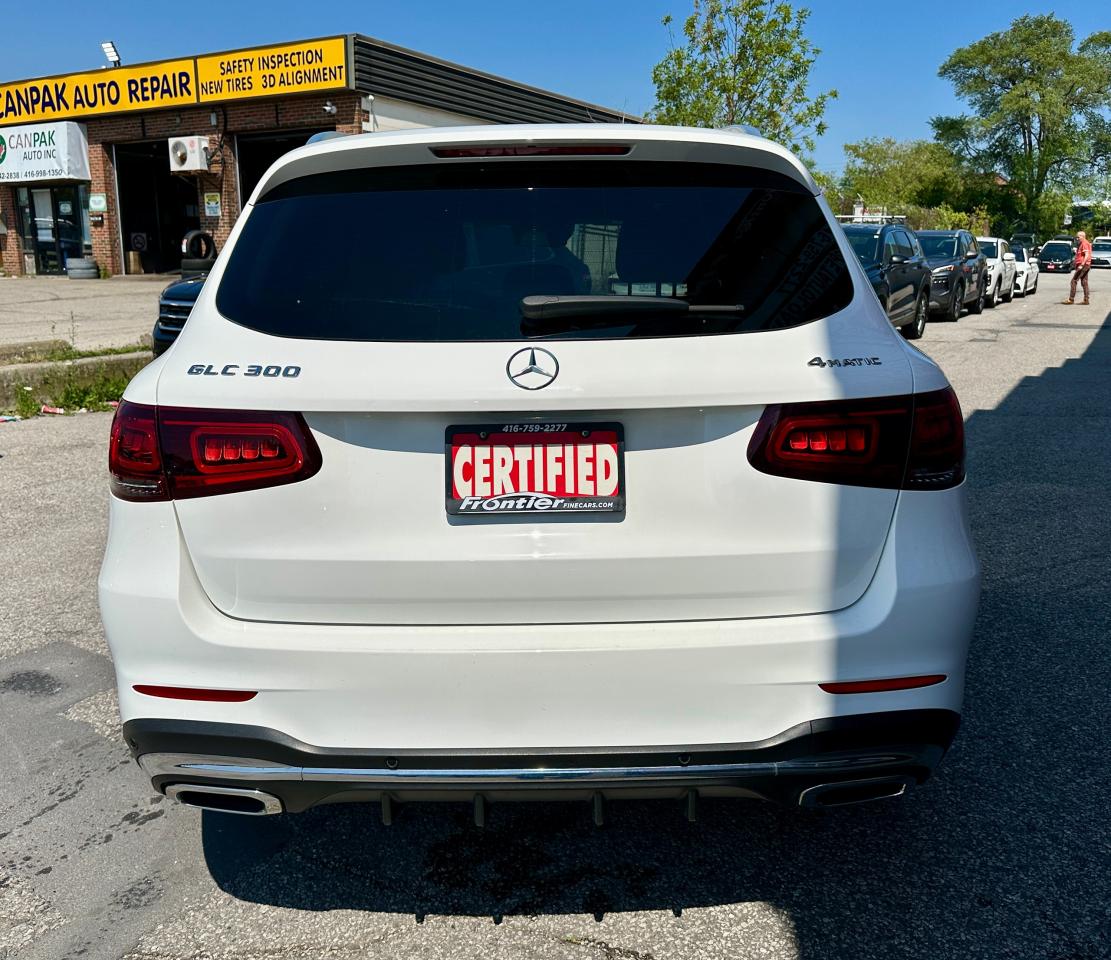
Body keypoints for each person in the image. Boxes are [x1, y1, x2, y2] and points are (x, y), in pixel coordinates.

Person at [1064, 230, 1092, 305]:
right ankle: (1086, 300)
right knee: (1084, 282)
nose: (1077, 238)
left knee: (1073, 281)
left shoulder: (1084, 243)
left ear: (1083, 236)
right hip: (1085, 265)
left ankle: (1071, 299)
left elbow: (1086, 255)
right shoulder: (1082, 243)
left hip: (1083, 265)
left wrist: (1082, 264)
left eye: (1078, 237)